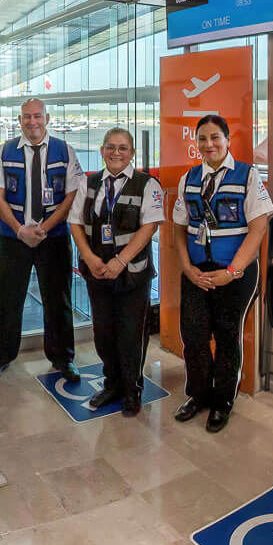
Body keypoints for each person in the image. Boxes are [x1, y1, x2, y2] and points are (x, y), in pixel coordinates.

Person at [172, 114, 273, 433]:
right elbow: (179, 228)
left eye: (215, 137)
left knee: (228, 337)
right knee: (194, 336)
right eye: (202, 139)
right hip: (197, 273)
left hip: (235, 274)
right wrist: (187, 268)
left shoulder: (247, 176)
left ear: (228, 140)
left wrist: (233, 270)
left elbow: (259, 227)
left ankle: (222, 401)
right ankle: (199, 395)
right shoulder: (189, 178)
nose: (209, 144)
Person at [0, 98, 84, 383]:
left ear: (47, 118)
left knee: (58, 299)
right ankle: (0, 357)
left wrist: (44, 228)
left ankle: (62, 358)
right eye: (26, 117)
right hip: (13, 238)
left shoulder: (64, 151)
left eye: (37, 116)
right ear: (19, 120)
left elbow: (71, 196)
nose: (32, 122)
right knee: (6, 299)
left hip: (53, 238)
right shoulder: (4, 151)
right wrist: (19, 230)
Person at [68, 128, 164, 416]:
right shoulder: (90, 183)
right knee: (104, 333)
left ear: (132, 152)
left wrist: (120, 261)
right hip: (96, 271)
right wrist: (89, 257)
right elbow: (75, 222)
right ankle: (112, 384)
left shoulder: (148, 184)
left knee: (131, 334)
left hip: (132, 273)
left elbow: (150, 227)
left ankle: (132, 389)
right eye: (111, 147)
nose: (116, 152)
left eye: (123, 147)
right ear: (102, 150)